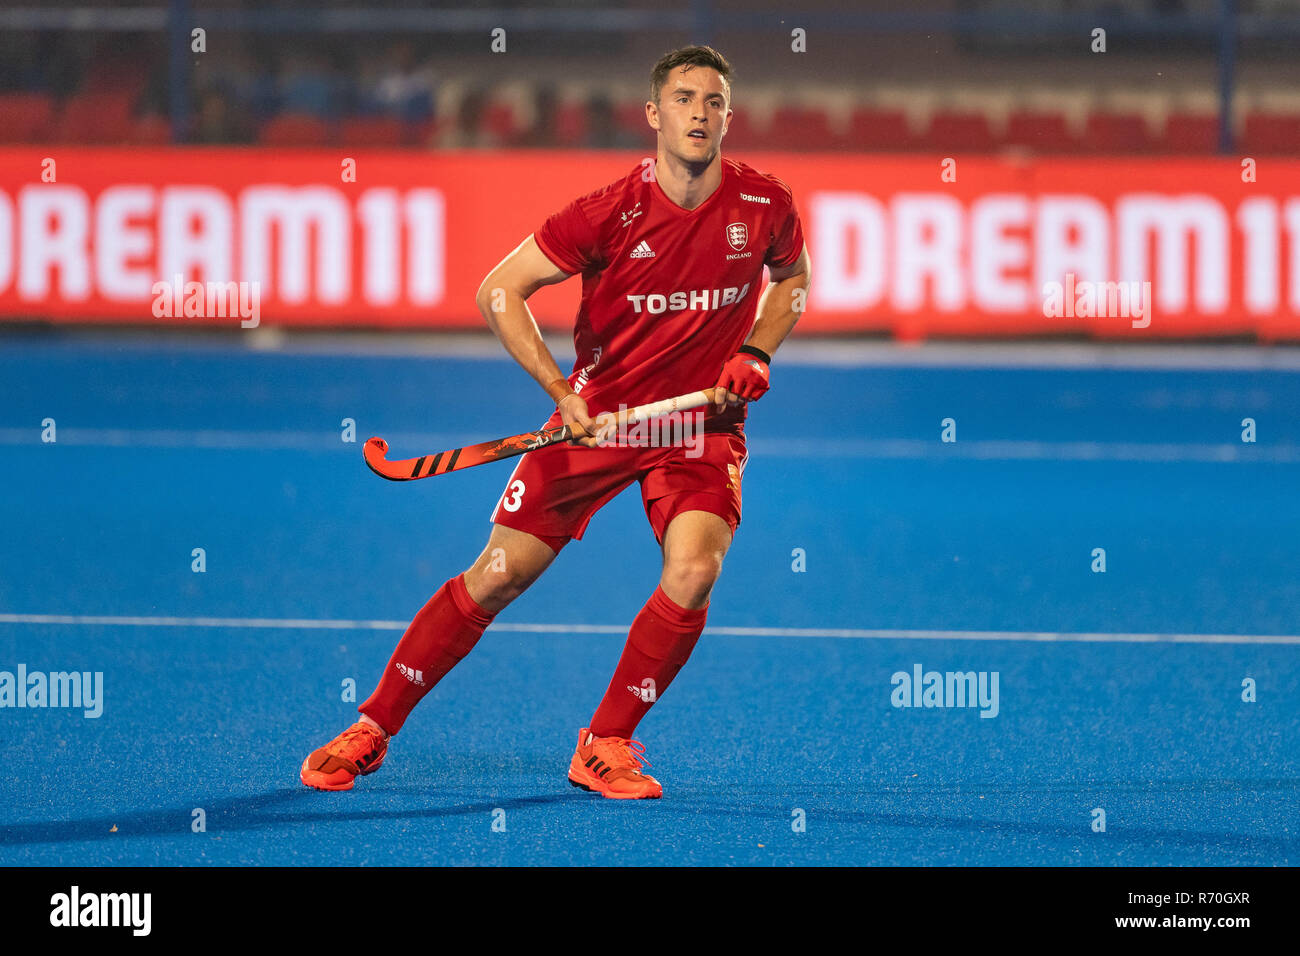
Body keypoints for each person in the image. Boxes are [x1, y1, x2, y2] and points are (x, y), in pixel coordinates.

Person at [301, 44, 811, 799]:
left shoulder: (765, 203)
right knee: (497, 578)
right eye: (683, 99)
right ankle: (372, 724)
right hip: (598, 422)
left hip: (697, 426)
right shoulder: (608, 211)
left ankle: (606, 742)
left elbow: (792, 280)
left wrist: (759, 352)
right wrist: (560, 391)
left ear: (729, 117)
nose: (699, 113)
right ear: (654, 114)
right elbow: (499, 290)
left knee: (696, 567)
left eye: (712, 101)